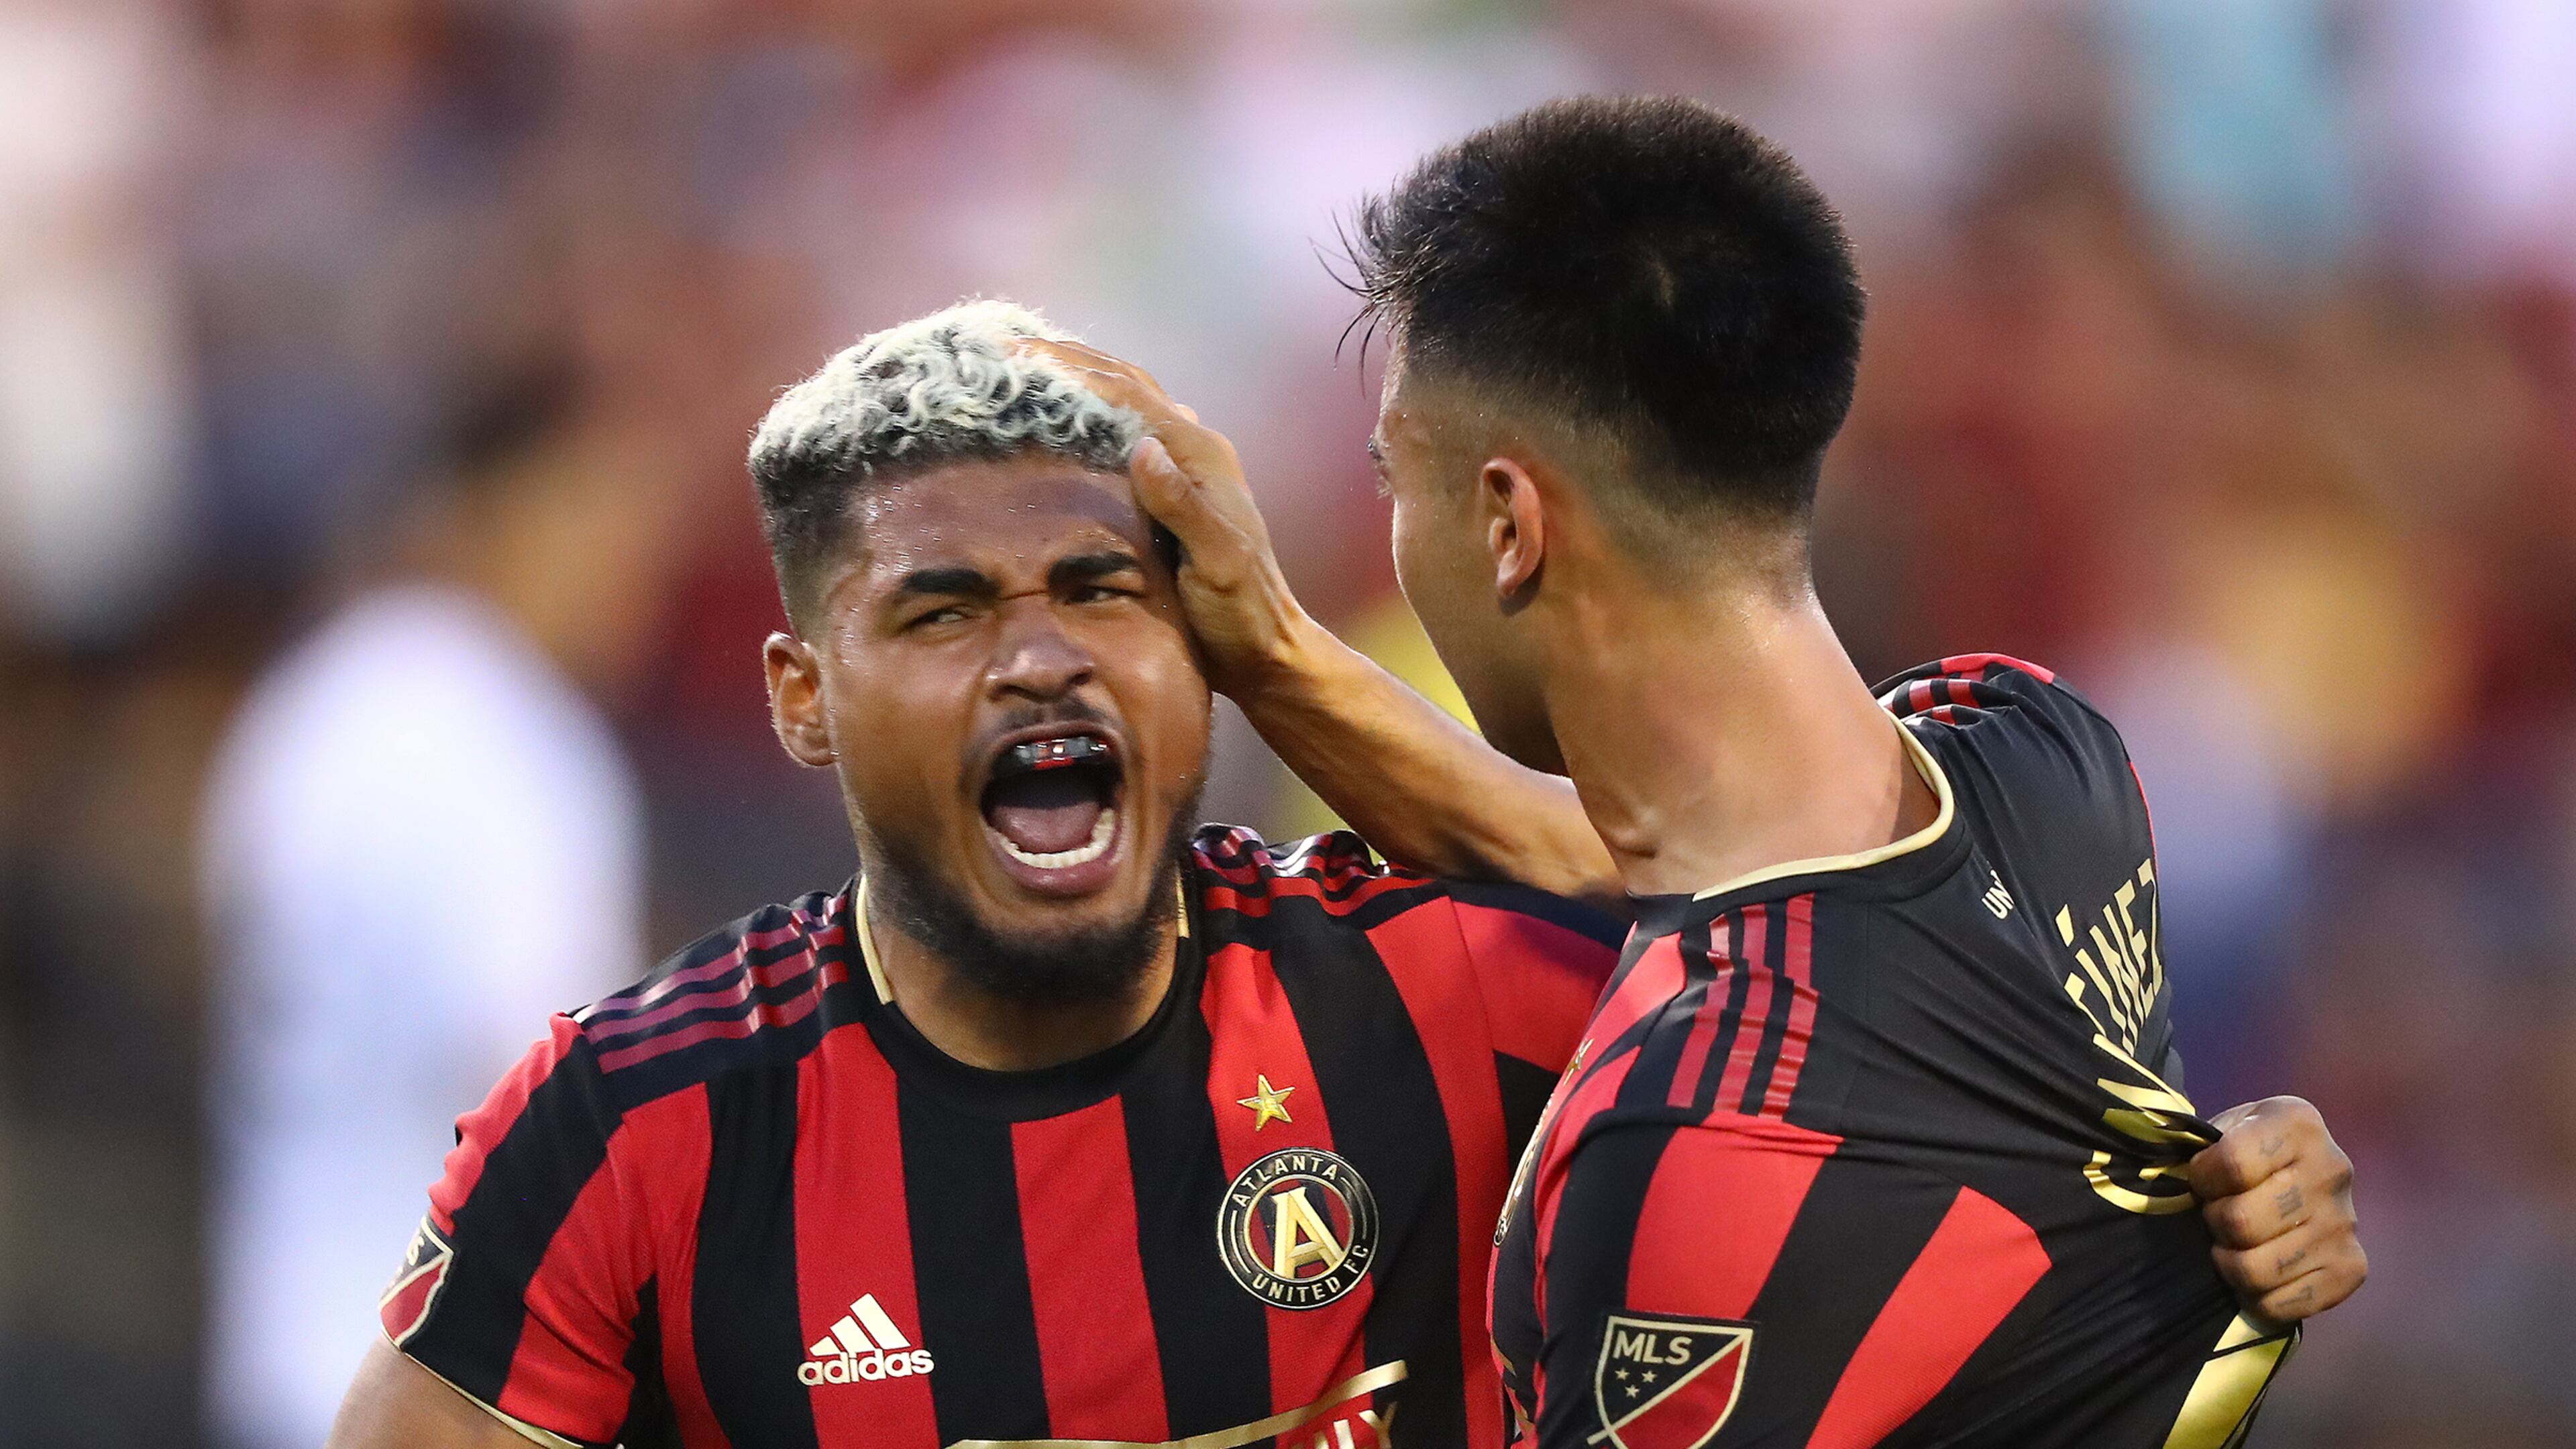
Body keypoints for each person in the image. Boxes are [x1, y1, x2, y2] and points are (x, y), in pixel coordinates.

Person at [327, 302, 2355, 1449]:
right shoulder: (638, 1128)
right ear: (797, 694)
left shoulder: (1432, 994)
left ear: (1195, 644)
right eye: (940, 612)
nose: (1040, 655)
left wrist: (2205, 1188)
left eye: (1105, 591)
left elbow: (1806, 950)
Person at [1036, 97, 2368, 1449]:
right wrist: (1265, 650)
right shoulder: (2038, 752)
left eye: (1399, 482)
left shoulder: (1684, 1144)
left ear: (1507, 522)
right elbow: (1644, 859)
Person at [205, 372, 682, 1449]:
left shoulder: (311, 700)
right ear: (498, 511)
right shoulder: (506, 737)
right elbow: (551, 1095)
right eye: (599, 518)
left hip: (287, 1350)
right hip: (452, 1392)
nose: (631, 571)